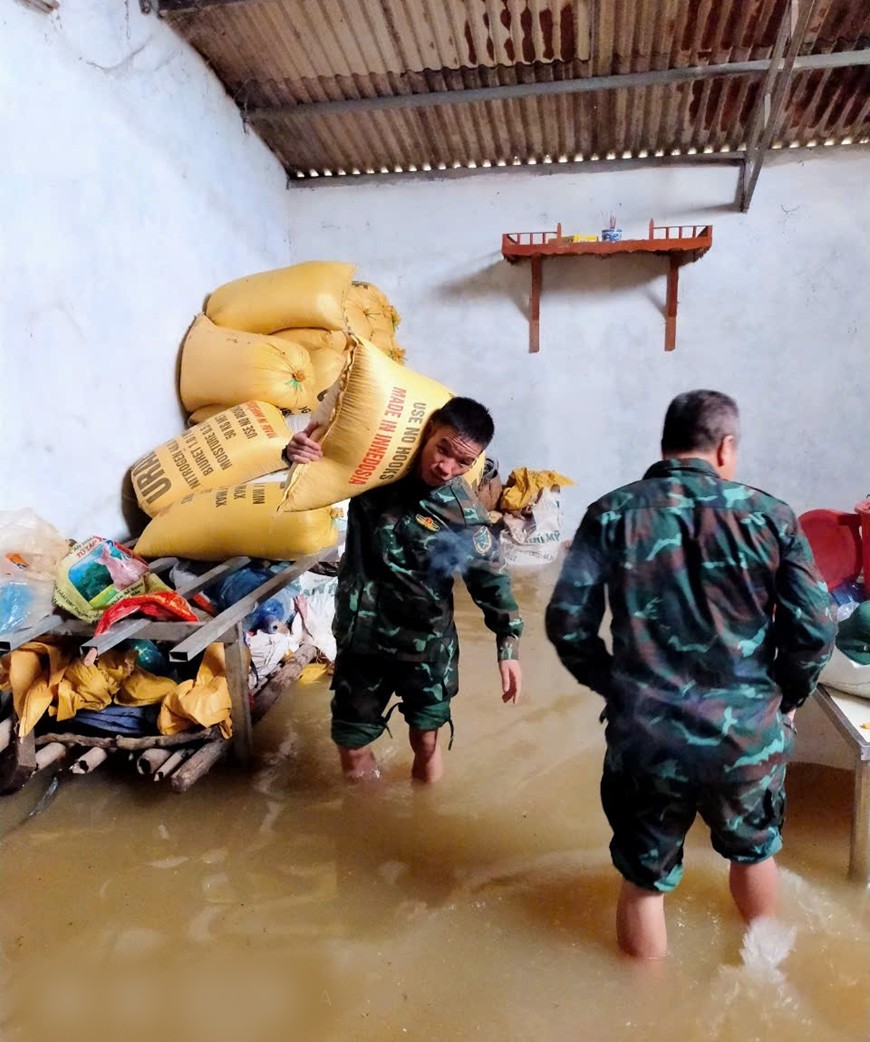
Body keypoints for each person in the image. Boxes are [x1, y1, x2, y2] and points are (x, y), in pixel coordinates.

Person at [545, 390, 835, 959]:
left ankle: (648, 1009)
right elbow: (817, 628)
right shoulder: (770, 516)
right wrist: (788, 695)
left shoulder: (610, 513)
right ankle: (763, 971)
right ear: (726, 447)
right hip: (745, 736)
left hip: (646, 738)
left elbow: (565, 623)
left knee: (644, 881)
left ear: (664, 446)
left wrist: (616, 688)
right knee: (752, 852)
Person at [284, 397, 523, 784]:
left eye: (462, 462)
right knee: (351, 743)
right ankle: (370, 827)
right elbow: (314, 471)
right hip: (362, 641)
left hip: (424, 648)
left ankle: (418, 822)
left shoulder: (463, 515)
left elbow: (491, 581)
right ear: (429, 433)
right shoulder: (373, 472)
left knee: (426, 743)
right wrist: (294, 452)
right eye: (443, 449)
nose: (446, 468)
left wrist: (507, 645)